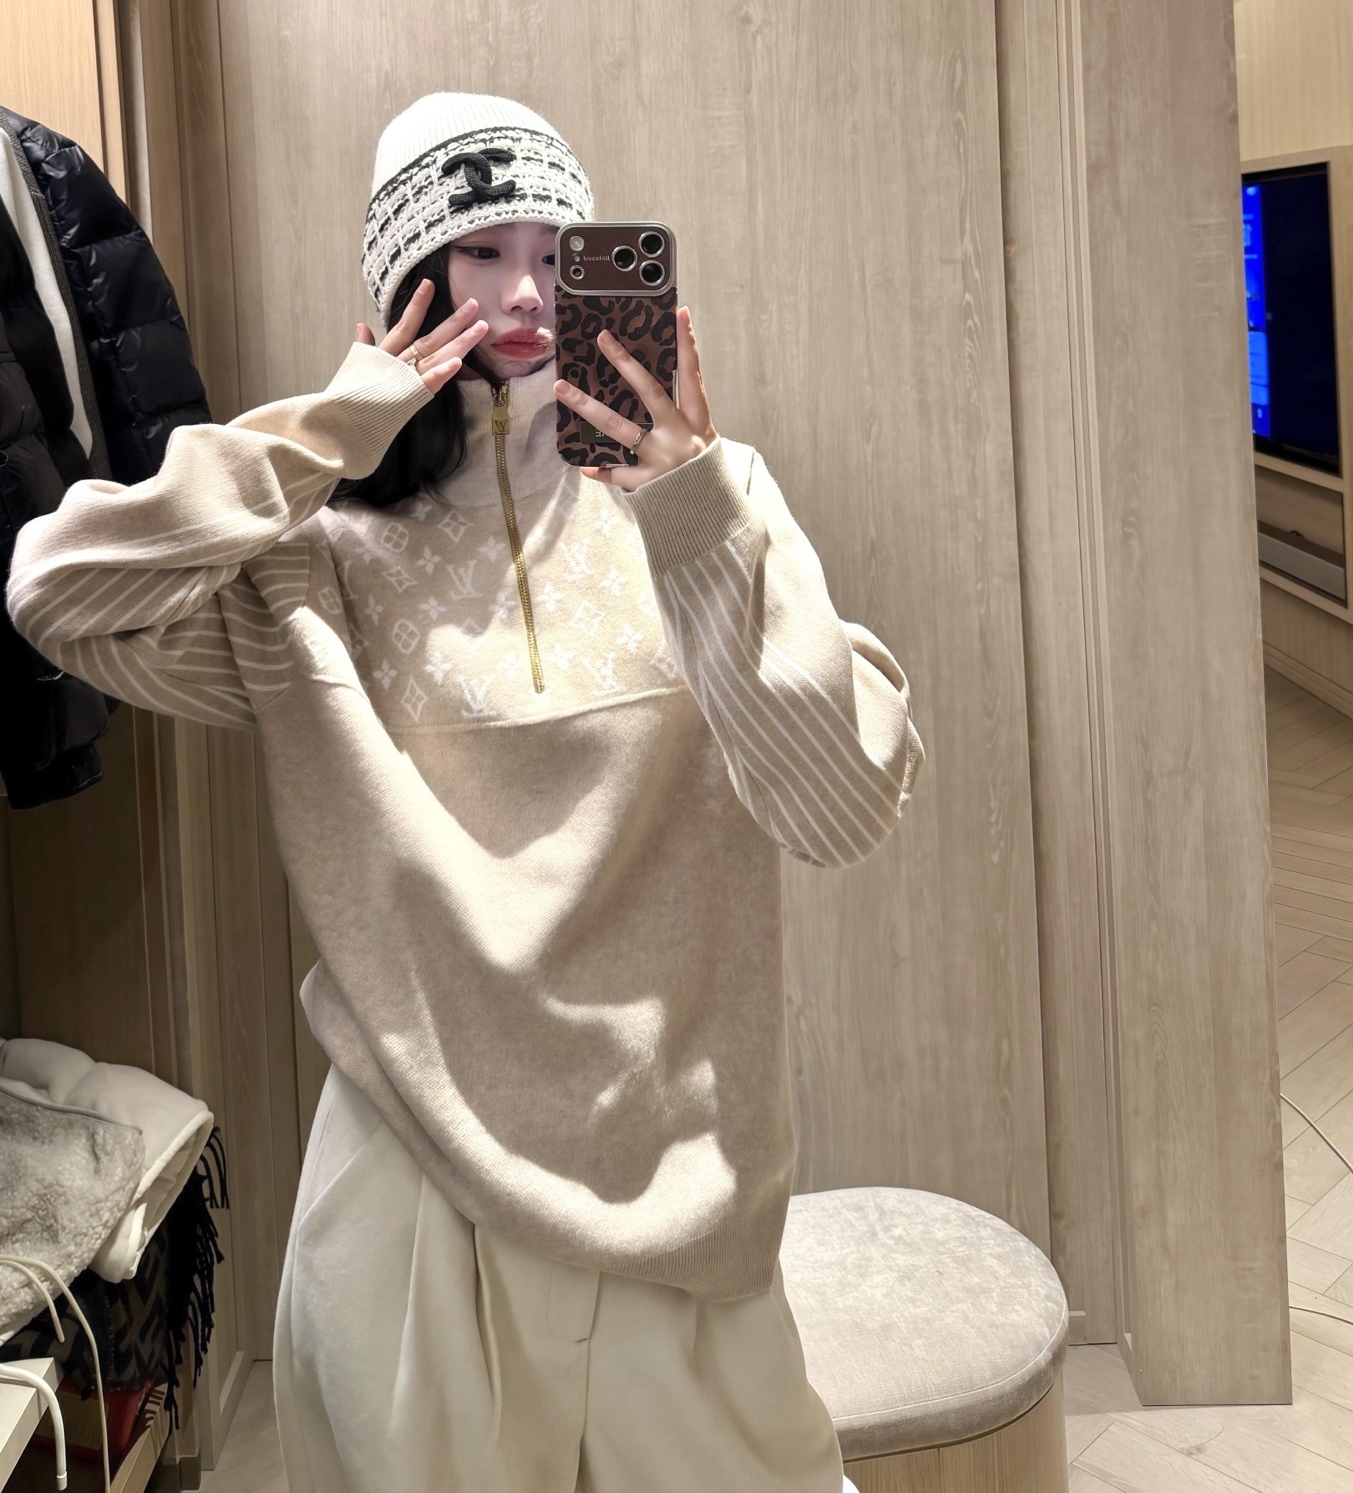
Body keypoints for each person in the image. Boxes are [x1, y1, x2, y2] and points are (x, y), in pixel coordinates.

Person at [6, 94, 923, 1493]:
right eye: (480, 253)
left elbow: (838, 806)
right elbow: (54, 592)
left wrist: (691, 513)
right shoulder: (316, 556)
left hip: (681, 1191)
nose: (527, 294)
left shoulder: (712, 502)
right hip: (412, 1191)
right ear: (408, 283)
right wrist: (328, 432)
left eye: (559, 253)